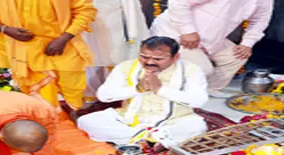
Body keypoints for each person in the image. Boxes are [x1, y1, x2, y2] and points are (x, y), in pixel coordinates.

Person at [0, 0, 96, 117]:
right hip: (23, 48)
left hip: (64, 46)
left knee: (73, 89)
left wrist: (65, 38)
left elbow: (85, 11)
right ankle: (53, 128)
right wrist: (3, 28)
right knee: (41, 98)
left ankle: (75, 123)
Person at [77, 36, 209, 147]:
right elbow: (103, 96)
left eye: (158, 59)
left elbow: (199, 101)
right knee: (85, 121)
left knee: (197, 126)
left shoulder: (191, 70)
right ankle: (153, 138)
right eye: (144, 57)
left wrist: (160, 89)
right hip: (130, 120)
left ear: (175, 57)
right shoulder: (126, 66)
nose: (149, 62)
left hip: (174, 120)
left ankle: (139, 138)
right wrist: (137, 89)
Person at [150, 0, 273, 95]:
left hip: (211, 39)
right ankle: (170, 92)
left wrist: (247, 43)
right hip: (175, 33)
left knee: (237, 57)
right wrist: (187, 30)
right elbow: (179, 2)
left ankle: (205, 92)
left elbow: (260, 20)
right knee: (202, 69)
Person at [83, 0, 150, 100]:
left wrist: (132, 33)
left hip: (116, 22)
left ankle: (121, 94)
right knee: (91, 57)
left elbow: (131, 11)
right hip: (86, 19)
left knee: (117, 57)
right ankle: (91, 96)